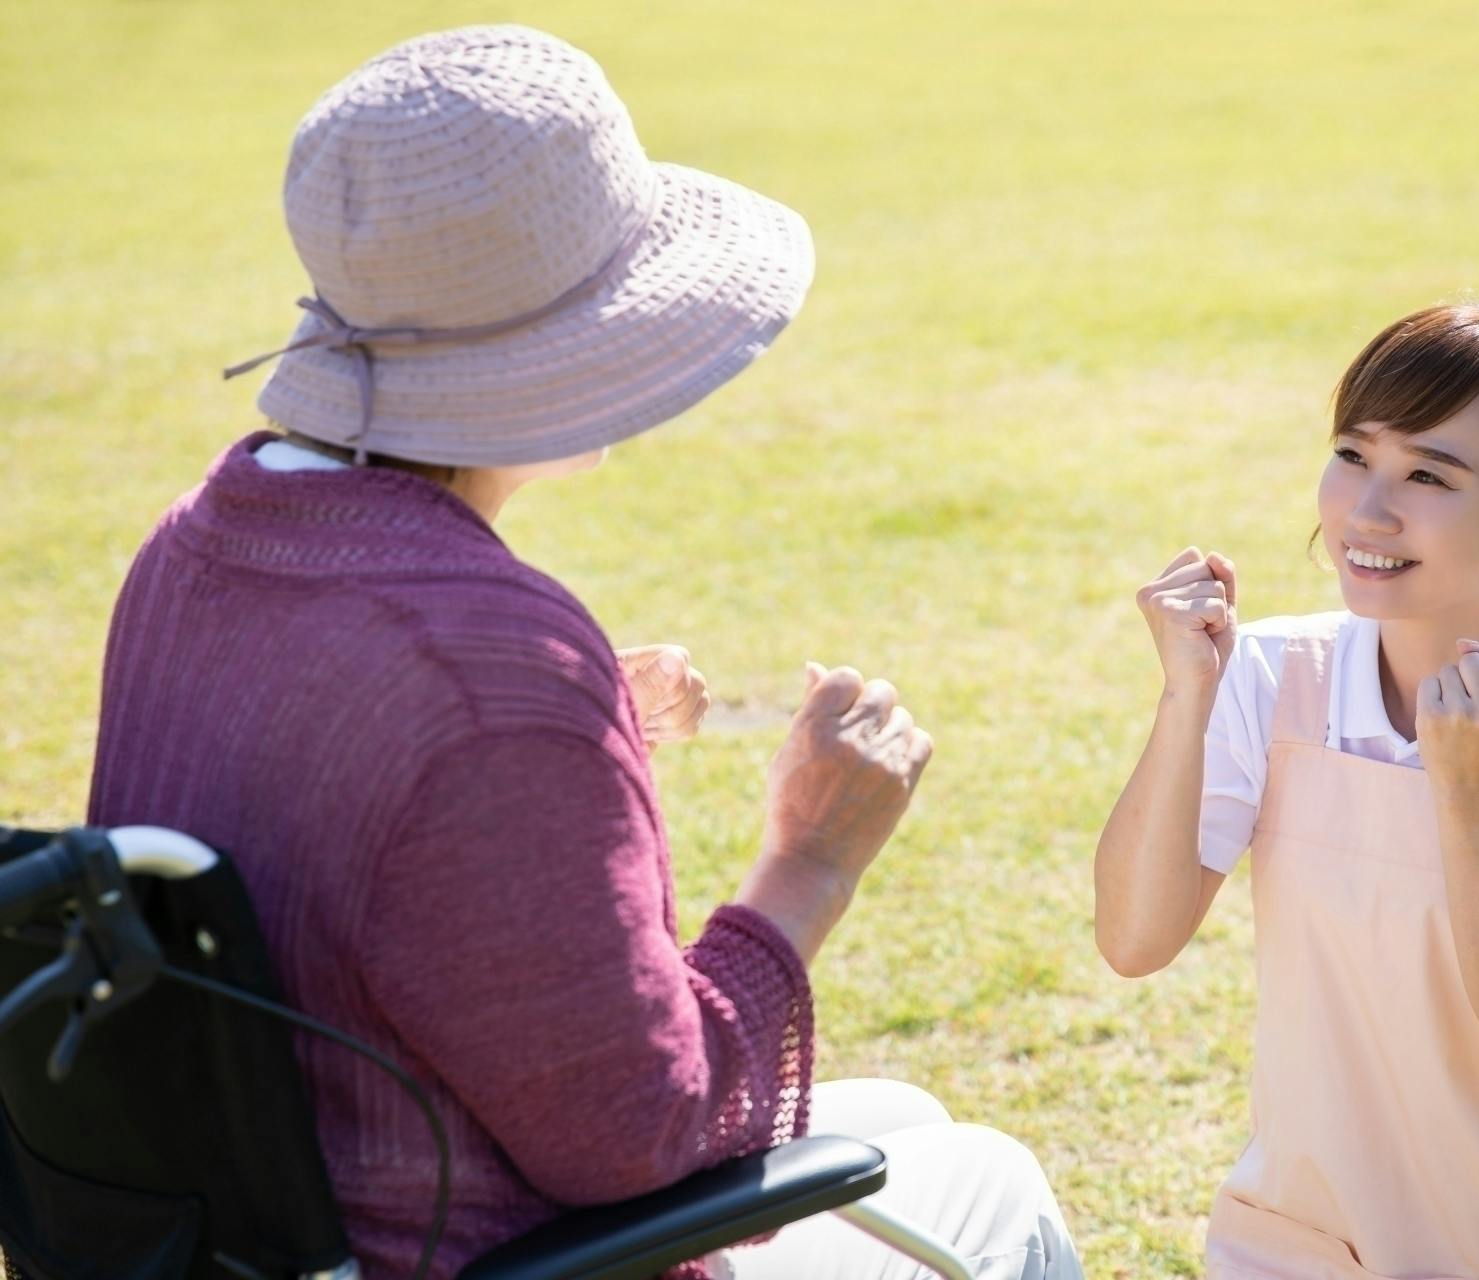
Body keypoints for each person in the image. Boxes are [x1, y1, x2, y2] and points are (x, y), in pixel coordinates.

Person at [88, 25, 1079, 1280]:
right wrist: (814, 855)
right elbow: (642, 1134)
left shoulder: (199, 541)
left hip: (270, 1235)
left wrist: (573, 712)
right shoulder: (491, 675)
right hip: (475, 1251)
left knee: (909, 1125)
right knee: (991, 1179)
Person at [1095, 304, 1479, 1278]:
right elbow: (1133, 938)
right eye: (1351, 453)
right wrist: (1186, 696)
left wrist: (1467, 791)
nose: (1366, 511)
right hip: (1301, 1227)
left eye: (1428, 474)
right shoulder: (1270, 672)